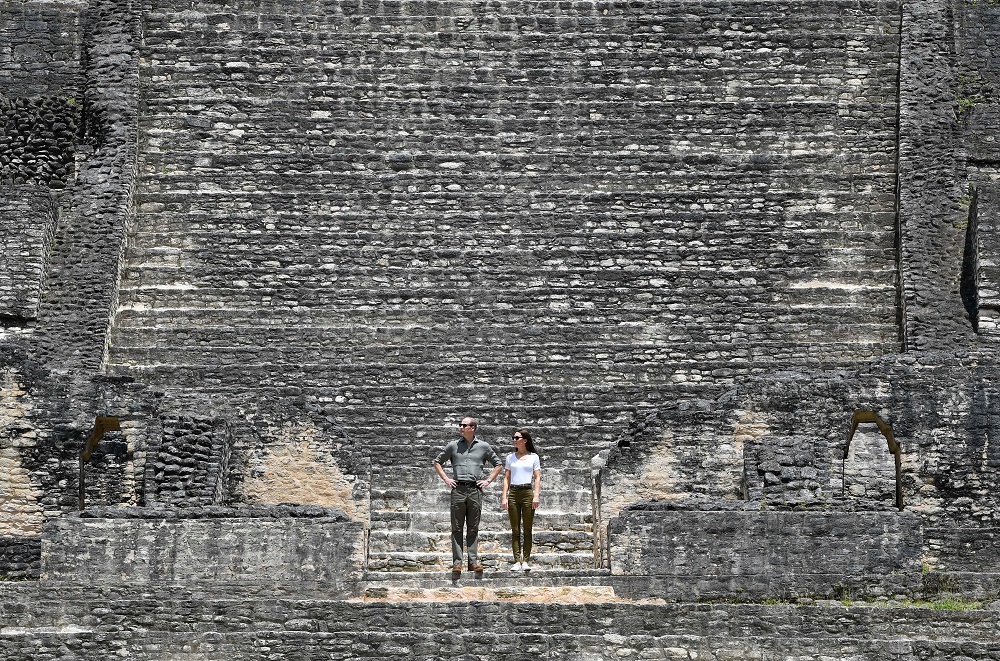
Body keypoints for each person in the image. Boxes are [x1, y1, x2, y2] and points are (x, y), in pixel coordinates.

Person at [433, 416, 503, 574]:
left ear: (473, 428)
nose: (461, 427)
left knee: (473, 527)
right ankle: (457, 563)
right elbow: (437, 462)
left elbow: (498, 464)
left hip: (475, 490)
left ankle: (473, 562)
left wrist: (488, 480)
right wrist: (446, 479)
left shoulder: (484, 447)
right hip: (458, 489)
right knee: (456, 527)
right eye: (460, 425)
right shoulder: (453, 446)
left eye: (464, 425)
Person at [500, 428, 541, 571]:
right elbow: (506, 478)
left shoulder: (534, 457)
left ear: (524, 440)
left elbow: (537, 478)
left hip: (527, 492)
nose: (514, 440)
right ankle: (517, 560)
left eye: (517, 438)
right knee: (515, 529)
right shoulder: (510, 457)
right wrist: (504, 497)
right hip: (514, 492)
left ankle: (526, 560)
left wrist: (536, 495)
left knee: (528, 529)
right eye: (513, 437)